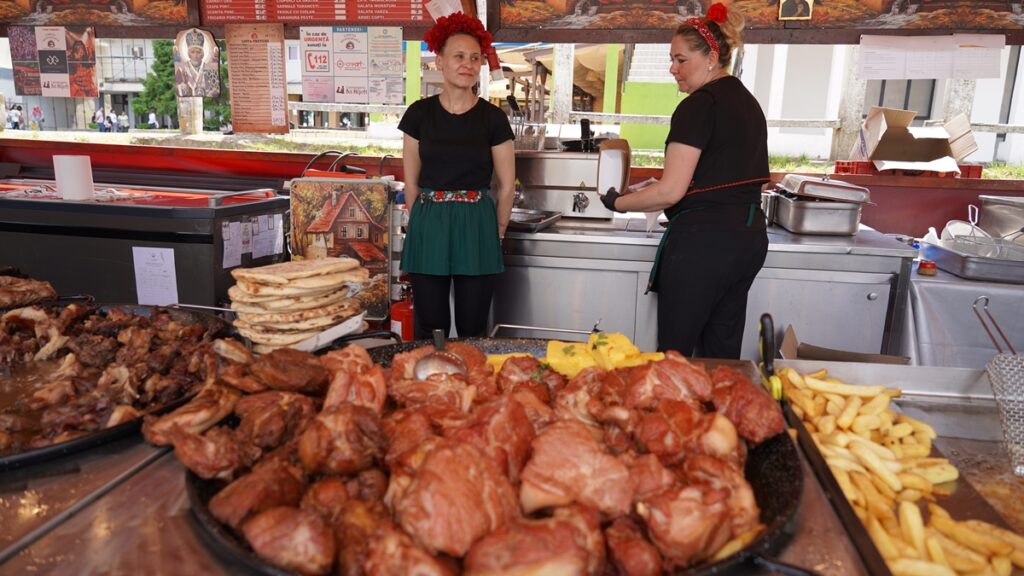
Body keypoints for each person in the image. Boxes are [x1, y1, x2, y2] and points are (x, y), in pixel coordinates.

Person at [600, 2, 768, 359]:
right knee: (720, 356)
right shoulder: (748, 103)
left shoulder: (698, 105)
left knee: (674, 356)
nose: (672, 69)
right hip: (748, 238)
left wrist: (617, 201)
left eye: (681, 60)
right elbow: (725, 174)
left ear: (711, 58)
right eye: (671, 60)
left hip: (703, 246)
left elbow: (670, 191)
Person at [398, 12, 515, 339]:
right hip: (429, 222)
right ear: (440, 61)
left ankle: (470, 373)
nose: (468, 64)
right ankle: (432, 373)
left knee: (472, 328)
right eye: (459, 56)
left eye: (475, 58)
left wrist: (497, 232)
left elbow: (507, 186)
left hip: (478, 224)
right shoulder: (419, 114)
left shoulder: (493, 119)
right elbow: (411, 182)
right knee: (430, 326)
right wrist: (421, 224)